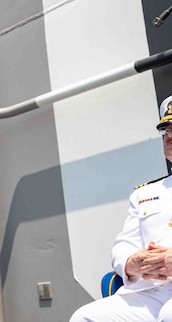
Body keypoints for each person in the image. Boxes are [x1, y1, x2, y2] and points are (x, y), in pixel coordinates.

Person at [70, 94, 172, 321]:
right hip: (147, 294)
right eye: (167, 130)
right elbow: (123, 245)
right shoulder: (145, 194)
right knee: (84, 317)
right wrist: (130, 263)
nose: (170, 136)